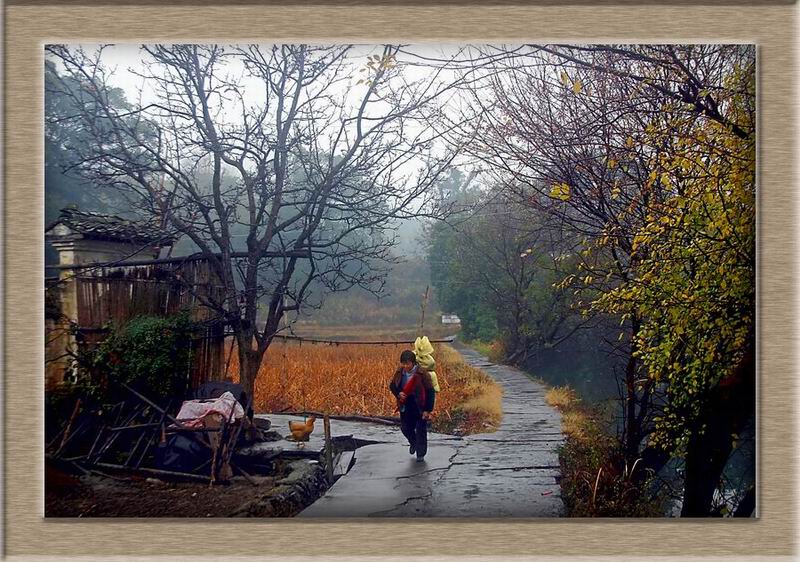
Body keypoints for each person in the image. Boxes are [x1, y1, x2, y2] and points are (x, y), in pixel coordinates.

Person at [389, 350, 435, 462]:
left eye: (407, 364)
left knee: (420, 430)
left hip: (420, 405)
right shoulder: (400, 372)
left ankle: (421, 454)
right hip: (406, 405)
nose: (405, 366)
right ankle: (413, 443)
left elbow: (430, 392)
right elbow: (392, 386)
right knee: (405, 428)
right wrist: (398, 393)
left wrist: (427, 410)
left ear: (413, 363)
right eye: (403, 363)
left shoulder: (422, 373)